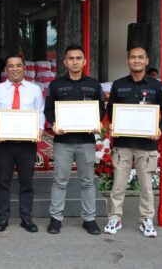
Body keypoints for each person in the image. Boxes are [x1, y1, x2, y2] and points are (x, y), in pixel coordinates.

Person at [104, 46, 162, 238]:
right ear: (128, 61)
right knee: (118, 184)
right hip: (123, 143)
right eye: (133, 57)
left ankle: (146, 219)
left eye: (140, 57)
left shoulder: (157, 86)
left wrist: (159, 127)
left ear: (147, 61)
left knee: (146, 186)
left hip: (147, 145)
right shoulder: (118, 85)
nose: (136, 60)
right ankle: (115, 217)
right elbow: (110, 110)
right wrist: (114, 123)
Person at [44, 45, 105, 235]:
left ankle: (89, 219)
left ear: (84, 61)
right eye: (71, 58)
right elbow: (48, 110)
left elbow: (101, 109)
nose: (75, 62)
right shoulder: (56, 85)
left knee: (87, 181)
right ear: (65, 62)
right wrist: (54, 122)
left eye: (79, 58)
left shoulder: (94, 85)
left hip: (86, 140)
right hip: (63, 141)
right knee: (60, 181)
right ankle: (56, 218)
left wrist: (98, 122)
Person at [0, 54, 44, 233]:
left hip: (27, 143)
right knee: (3, 181)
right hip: (5, 142)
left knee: (26, 182)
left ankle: (26, 218)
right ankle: (3, 217)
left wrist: (39, 128)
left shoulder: (34, 90)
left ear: (24, 68)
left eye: (19, 65)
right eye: (11, 66)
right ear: (5, 70)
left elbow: (40, 112)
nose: (15, 69)